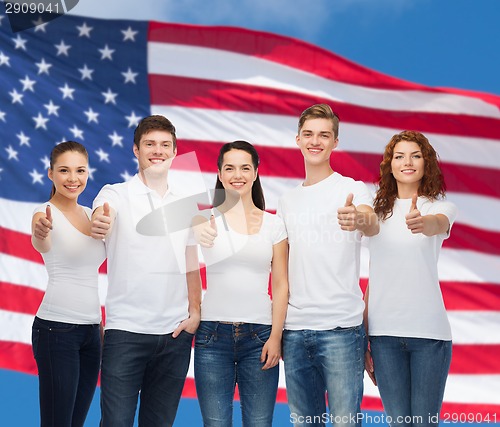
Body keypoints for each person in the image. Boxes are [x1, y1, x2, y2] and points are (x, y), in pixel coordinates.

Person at [90, 115, 202, 427]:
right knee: (116, 423)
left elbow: (190, 262)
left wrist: (195, 312)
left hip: (174, 335)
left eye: (165, 145)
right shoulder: (115, 194)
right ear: (136, 150)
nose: (158, 150)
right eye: (150, 144)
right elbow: (101, 217)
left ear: (175, 152)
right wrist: (100, 221)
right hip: (125, 331)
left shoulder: (186, 202)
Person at [277, 104, 379, 427]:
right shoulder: (286, 201)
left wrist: (358, 217)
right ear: (297, 139)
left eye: (324, 135)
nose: (315, 141)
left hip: (341, 330)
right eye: (308, 134)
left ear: (335, 142)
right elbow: (279, 268)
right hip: (294, 333)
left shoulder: (352, 189)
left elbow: (372, 223)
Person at [192, 140, 289, 427]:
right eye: (230, 168)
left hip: (259, 337)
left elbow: (281, 284)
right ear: (220, 174)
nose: (238, 175)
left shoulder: (274, 225)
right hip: (212, 336)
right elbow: (182, 267)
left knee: (259, 423)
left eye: (245, 167)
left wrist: (276, 336)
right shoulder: (202, 220)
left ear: (256, 172)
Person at [364, 130, 457, 427]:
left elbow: (436, 225)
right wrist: (363, 336)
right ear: (389, 164)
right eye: (399, 156)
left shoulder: (439, 207)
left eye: (415, 155)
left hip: (429, 336)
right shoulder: (376, 214)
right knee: (398, 423)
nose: (407, 162)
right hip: (384, 337)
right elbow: (375, 279)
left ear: (425, 163)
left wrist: (422, 222)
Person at [31, 141, 106, 427]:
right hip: (56, 330)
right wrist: (41, 232)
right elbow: (41, 238)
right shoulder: (43, 213)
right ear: (50, 174)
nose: (73, 178)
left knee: (76, 422)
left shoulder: (91, 214)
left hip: (92, 332)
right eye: (64, 170)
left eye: (80, 170)